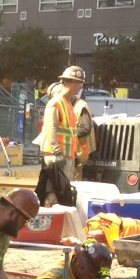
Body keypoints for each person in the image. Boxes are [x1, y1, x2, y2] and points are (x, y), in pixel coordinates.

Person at [39, 65, 88, 204]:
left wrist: (74, 155)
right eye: (80, 84)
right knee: (53, 197)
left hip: (65, 157)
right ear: (73, 83)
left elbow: (71, 134)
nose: (80, 87)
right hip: (57, 159)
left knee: (63, 196)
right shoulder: (56, 103)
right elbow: (51, 130)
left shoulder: (67, 104)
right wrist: (58, 153)